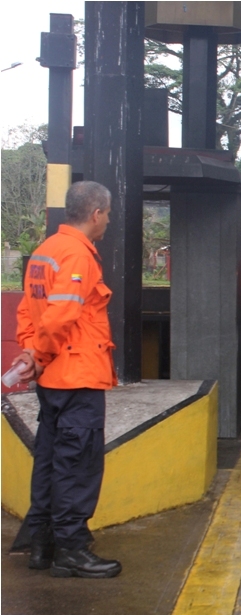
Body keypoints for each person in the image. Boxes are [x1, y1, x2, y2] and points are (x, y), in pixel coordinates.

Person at [12, 181, 121, 578]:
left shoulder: (45, 252)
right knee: (78, 463)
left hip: (53, 378)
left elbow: (28, 311)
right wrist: (38, 353)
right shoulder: (77, 255)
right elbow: (61, 316)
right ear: (95, 213)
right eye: (107, 213)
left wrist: (30, 352)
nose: (108, 220)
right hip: (77, 375)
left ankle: (41, 543)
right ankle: (72, 549)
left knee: (50, 458)